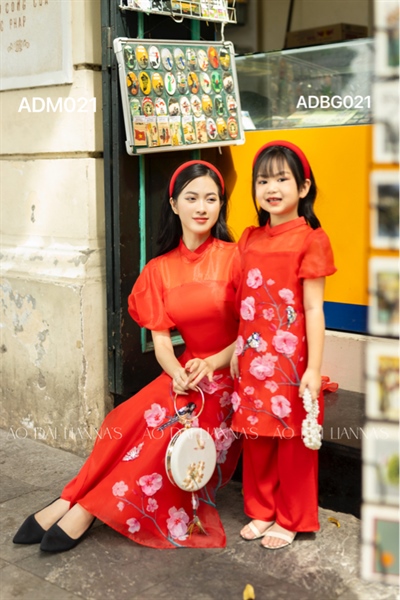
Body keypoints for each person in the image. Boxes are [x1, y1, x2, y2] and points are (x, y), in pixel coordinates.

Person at [13, 160, 241, 552]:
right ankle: (69, 498)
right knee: (123, 419)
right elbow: (163, 344)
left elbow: (252, 333)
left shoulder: (237, 258)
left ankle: (86, 510)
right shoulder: (158, 270)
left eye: (211, 199)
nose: (202, 207)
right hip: (184, 373)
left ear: (221, 205)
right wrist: (177, 372)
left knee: (165, 430)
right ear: (174, 204)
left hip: (228, 375)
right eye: (192, 198)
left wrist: (212, 363)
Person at [230, 140, 337, 550]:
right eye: (263, 181)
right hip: (252, 356)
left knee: (292, 441)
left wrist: (313, 368)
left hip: (292, 360)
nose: (271, 188)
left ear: (303, 187)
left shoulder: (312, 239)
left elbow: (313, 308)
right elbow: (244, 302)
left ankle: (291, 518)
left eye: (281, 179)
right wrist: (237, 348)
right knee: (256, 435)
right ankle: (261, 509)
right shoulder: (249, 238)